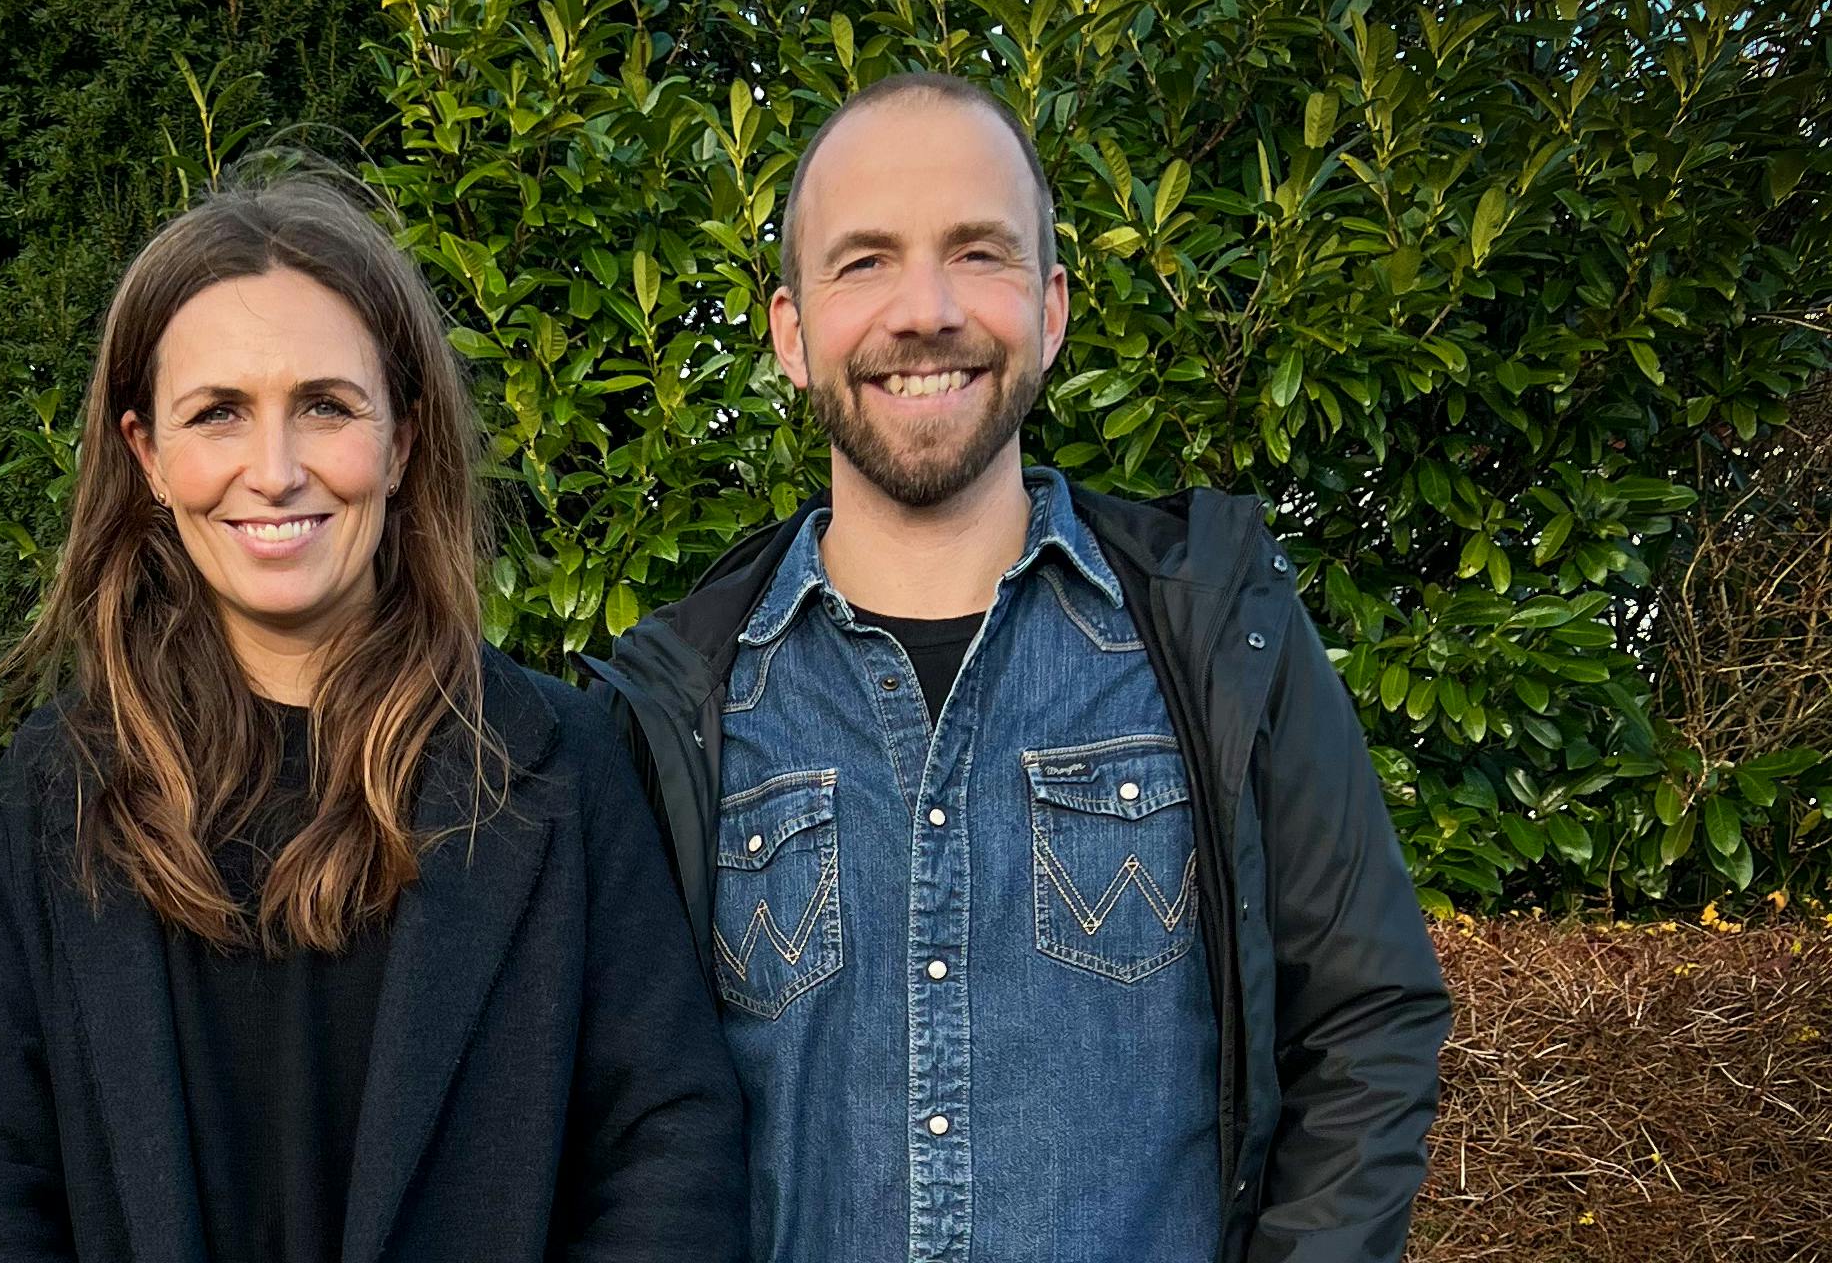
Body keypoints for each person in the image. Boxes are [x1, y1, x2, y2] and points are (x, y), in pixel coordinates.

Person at [592, 73, 1451, 1263]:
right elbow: (619, 1123)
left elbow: (1365, 1025)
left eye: (978, 252)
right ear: (791, 332)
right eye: (864, 262)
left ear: (1050, 309)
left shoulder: (1211, 635)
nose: (925, 308)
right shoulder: (678, 705)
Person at [0, 176, 743, 1263]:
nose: (275, 470)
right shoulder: (55, 792)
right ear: (147, 456)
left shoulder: (559, 769)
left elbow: (666, 1152)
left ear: (401, 442)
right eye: (217, 413)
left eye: (326, 405)